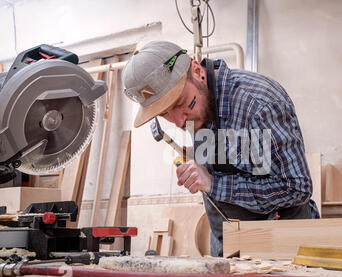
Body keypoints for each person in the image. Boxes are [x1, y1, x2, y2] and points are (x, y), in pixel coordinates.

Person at [122, 41, 319, 257]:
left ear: (197, 72)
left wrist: (214, 184)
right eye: (164, 114)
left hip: (282, 248)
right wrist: (199, 156)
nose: (178, 122)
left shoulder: (258, 103)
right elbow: (240, 154)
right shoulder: (192, 109)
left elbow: (296, 188)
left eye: (180, 103)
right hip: (228, 249)